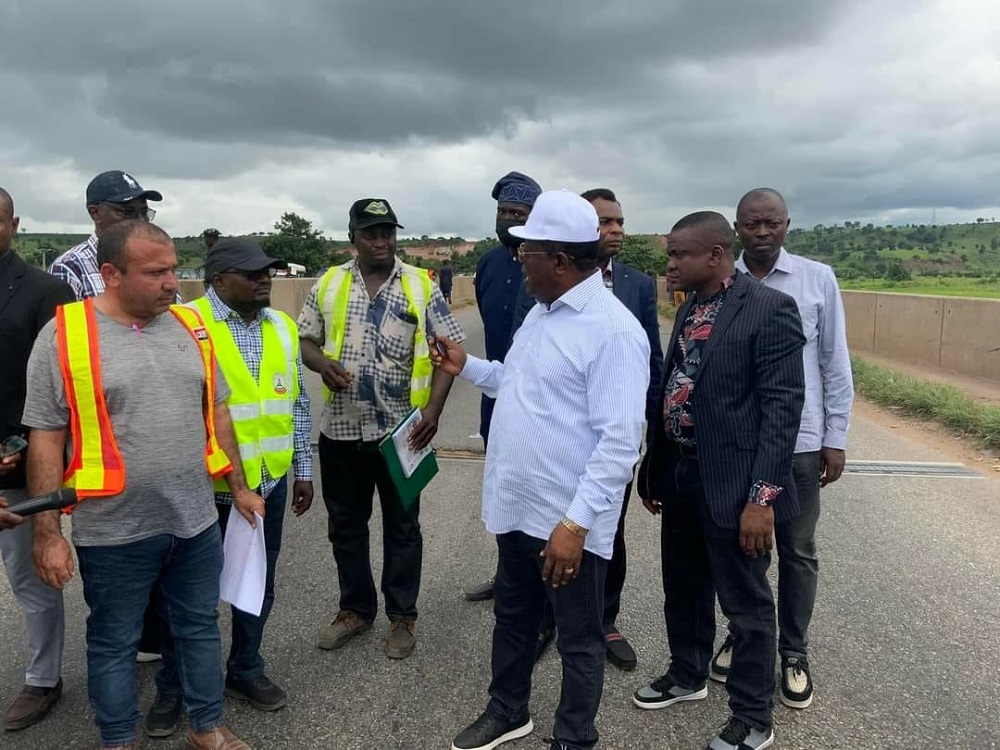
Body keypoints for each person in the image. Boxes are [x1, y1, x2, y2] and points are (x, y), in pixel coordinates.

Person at [24, 220, 263, 750]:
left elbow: (217, 415)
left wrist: (239, 486)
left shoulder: (190, 327)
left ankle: (208, 727)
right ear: (110, 274)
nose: (172, 282)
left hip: (194, 519)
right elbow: (45, 437)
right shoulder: (65, 335)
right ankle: (117, 741)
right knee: (113, 643)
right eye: (155, 272)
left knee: (199, 627)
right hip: (113, 531)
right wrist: (47, 534)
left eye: (174, 269)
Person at [436, 190, 650, 750]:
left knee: (579, 641)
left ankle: (574, 738)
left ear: (558, 260)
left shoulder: (614, 332)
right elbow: (517, 383)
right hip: (518, 509)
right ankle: (507, 710)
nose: (517, 258)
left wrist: (574, 526)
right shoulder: (541, 314)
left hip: (565, 525)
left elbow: (620, 445)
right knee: (513, 619)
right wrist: (468, 368)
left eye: (525, 249)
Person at [632, 211, 805, 750]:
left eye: (679, 254)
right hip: (682, 472)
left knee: (746, 604)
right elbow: (674, 387)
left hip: (736, 484)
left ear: (715, 253)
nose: (671, 264)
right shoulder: (690, 308)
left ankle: (753, 716)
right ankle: (687, 676)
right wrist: (654, 466)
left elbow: (782, 411)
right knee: (682, 586)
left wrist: (762, 499)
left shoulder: (770, 307)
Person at [145, 238, 315, 737]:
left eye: (270, 272)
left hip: (270, 482)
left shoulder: (281, 326)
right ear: (219, 280)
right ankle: (173, 687)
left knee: (258, 581)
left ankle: (245, 668)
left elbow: (298, 402)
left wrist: (302, 468)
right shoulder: (183, 324)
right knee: (186, 594)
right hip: (203, 488)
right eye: (253, 273)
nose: (266, 280)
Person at [705, 188, 854, 709]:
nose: (762, 233)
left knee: (796, 549)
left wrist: (835, 438)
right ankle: (746, 636)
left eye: (772, 223)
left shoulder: (817, 280)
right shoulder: (723, 284)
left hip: (800, 443)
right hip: (739, 443)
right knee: (746, 550)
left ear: (788, 224)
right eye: (751, 224)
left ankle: (793, 651)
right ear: (737, 228)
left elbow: (835, 363)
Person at [298, 198, 465, 660]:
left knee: (404, 527)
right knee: (346, 526)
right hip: (341, 431)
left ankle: (402, 616)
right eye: (371, 233)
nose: (381, 241)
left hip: (404, 434)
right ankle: (354, 609)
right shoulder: (329, 284)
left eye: (388, 232)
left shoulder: (420, 285)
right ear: (353, 237)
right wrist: (323, 364)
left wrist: (433, 409)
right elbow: (304, 340)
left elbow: (448, 351)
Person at [48, 170, 169, 663]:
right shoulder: (70, 271)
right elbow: (60, 359)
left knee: (164, 539)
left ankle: (157, 635)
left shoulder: (155, 263)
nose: (138, 217)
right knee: (114, 549)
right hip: (100, 433)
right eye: (127, 209)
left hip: (154, 424)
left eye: (143, 209)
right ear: (95, 214)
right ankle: (123, 640)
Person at [0, 187, 75, 732]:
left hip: (17, 463)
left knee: (29, 578)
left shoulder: (49, 291)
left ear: (14, 224)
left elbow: (64, 389)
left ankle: (44, 679)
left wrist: (20, 448)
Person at [464, 170, 542, 603]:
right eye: (502, 210)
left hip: (542, 401)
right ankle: (507, 574)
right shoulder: (488, 264)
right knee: (503, 485)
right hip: (497, 396)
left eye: (518, 212)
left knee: (540, 485)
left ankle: (545, 577)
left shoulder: (549, 260)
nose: (508, 218)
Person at [49, 170, 162, 300]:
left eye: (144, 212)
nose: (140, 221)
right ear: (95, 213)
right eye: (128, 212)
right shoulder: (69, 267)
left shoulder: (155, 260)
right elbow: (63, 320)